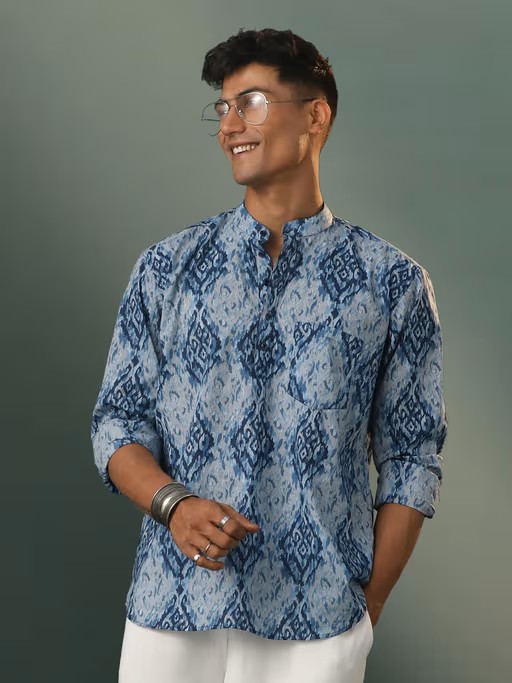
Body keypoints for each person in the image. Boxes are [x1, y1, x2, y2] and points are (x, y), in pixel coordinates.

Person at [91, 27, 448, 683]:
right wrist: (173, 505)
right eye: (222, 108)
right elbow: (117, 423)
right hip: (171, 609)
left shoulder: (393, 284)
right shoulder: (167, 269)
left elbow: (411, 459)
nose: (230, 125)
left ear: (315, 116)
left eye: (250, 102)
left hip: (319, 623)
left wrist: (366, 609)